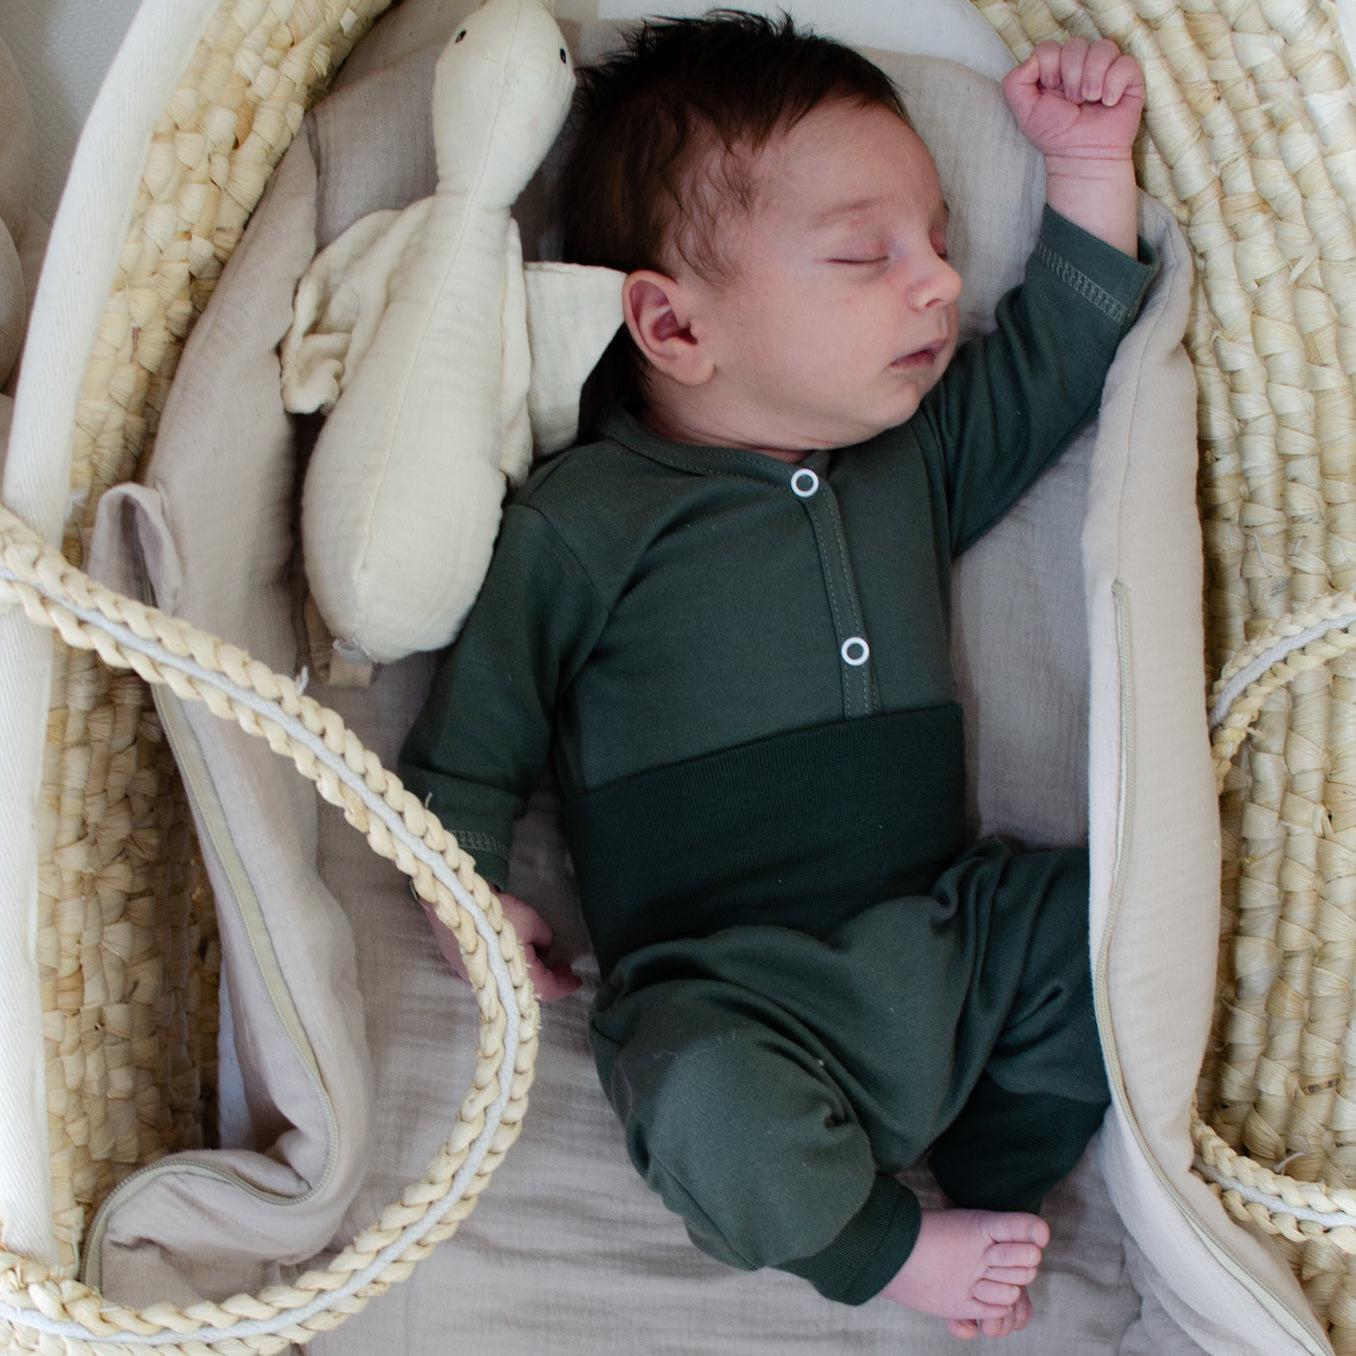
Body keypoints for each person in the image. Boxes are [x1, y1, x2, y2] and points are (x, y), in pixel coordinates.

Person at [399, 10, 1156, 1341]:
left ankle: (1000, 1174)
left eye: (940, 242)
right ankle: (881, 1247)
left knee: (1109, 930)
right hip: (731, 991)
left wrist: (1088, 163)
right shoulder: (589, 517)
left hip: (947, 939)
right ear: (673, 324)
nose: (937, 282)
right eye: (867, 255)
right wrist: (464, 893)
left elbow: (1059, 354)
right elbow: (472, 740)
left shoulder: (911, 459)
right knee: (697, 1097)